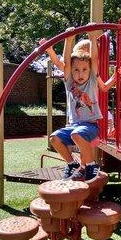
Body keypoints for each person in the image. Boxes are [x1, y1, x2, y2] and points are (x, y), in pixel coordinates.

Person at [47, 30, 103, 182]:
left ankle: (92, 165)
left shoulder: (91, 80)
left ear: (89, 70)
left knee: (76, 134)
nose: (80, 73)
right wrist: (68, 40)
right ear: (71, 71)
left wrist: (92, 38)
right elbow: (65, 62)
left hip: (90, 126)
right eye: (76, 70)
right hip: (74, 126)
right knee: (54, 138)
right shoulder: (69, 82)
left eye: (84, 69)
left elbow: (95, 59)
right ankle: (72, 164)